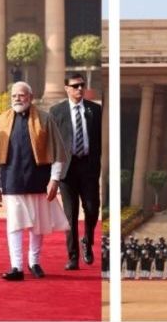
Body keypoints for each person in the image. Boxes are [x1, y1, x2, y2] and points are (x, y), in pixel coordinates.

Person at [0, 81, 69, 280]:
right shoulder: (2, 120)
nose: (17, 99)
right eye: (14, 96)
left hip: (38, 180)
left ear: (30, 97)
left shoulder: (45, 119)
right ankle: (17, 267)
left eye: (21, 95)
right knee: (14, 224)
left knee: (37, 225)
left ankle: (35, 262)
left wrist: (54, 179)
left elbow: (57, 152)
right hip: (12, 180)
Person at [49, 73, 102, 270]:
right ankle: (72, 257)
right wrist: (51, 174)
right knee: (70, 215)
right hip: (66, 170)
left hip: (88, 167)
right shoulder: (56, 111)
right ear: (66, 88)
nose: (80, 89)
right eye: (75, 86)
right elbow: (52, 143)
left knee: (91, 209)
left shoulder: (95, 110)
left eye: (82, 85)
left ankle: (87, 241)